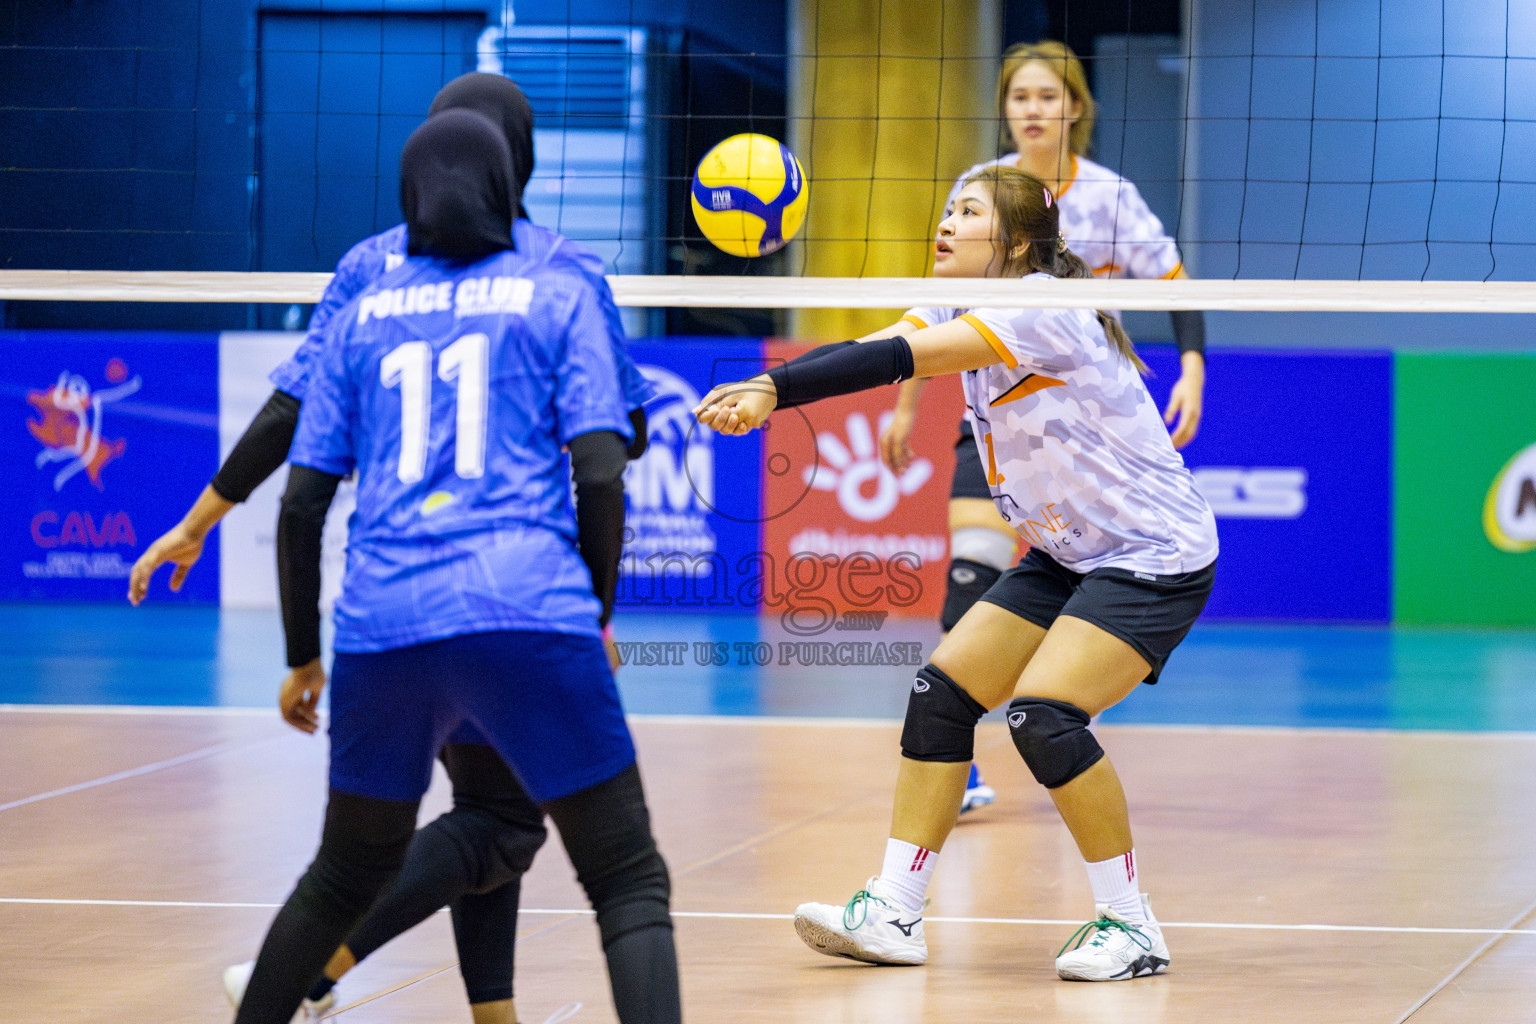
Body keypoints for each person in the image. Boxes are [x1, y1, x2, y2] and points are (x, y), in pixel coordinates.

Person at [126, 74, 653, 1024]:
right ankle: (319, 963)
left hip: (389, 607)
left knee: (485, 812)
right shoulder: (564, 270)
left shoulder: (367, 271)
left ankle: (482, 1008)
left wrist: (202, 518)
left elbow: (295, 426)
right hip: (517, 594)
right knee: (505, 820)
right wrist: (594, 607)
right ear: (518, 161)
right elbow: (614, 451)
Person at [694, 165, 1217, 981]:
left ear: (1012, 242)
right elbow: (876, 345)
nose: (944, 222)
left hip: (1152, 555)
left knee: (1046, 714)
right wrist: (771, 385)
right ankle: (895, 912)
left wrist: (773, 386)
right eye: (946, 207)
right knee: (942, 696)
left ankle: (1132, 923)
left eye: (967, 212)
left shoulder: (1044, 303)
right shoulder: (962, 298)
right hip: (1065, 551)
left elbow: (902, 359)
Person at [880, 40, 1208, 815]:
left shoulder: (1111, 198)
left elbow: (1171, 279)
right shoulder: (978, 188)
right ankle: (957, 757)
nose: (1032, 110)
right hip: (992, 412)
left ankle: (1061, 703)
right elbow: (934, 306)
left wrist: (1193, 366)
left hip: (1082, 421)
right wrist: (902, 402)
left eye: (1046, 97)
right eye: (1019, 97)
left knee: (1063, 619)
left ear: (1074, 109)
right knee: (969, 574)